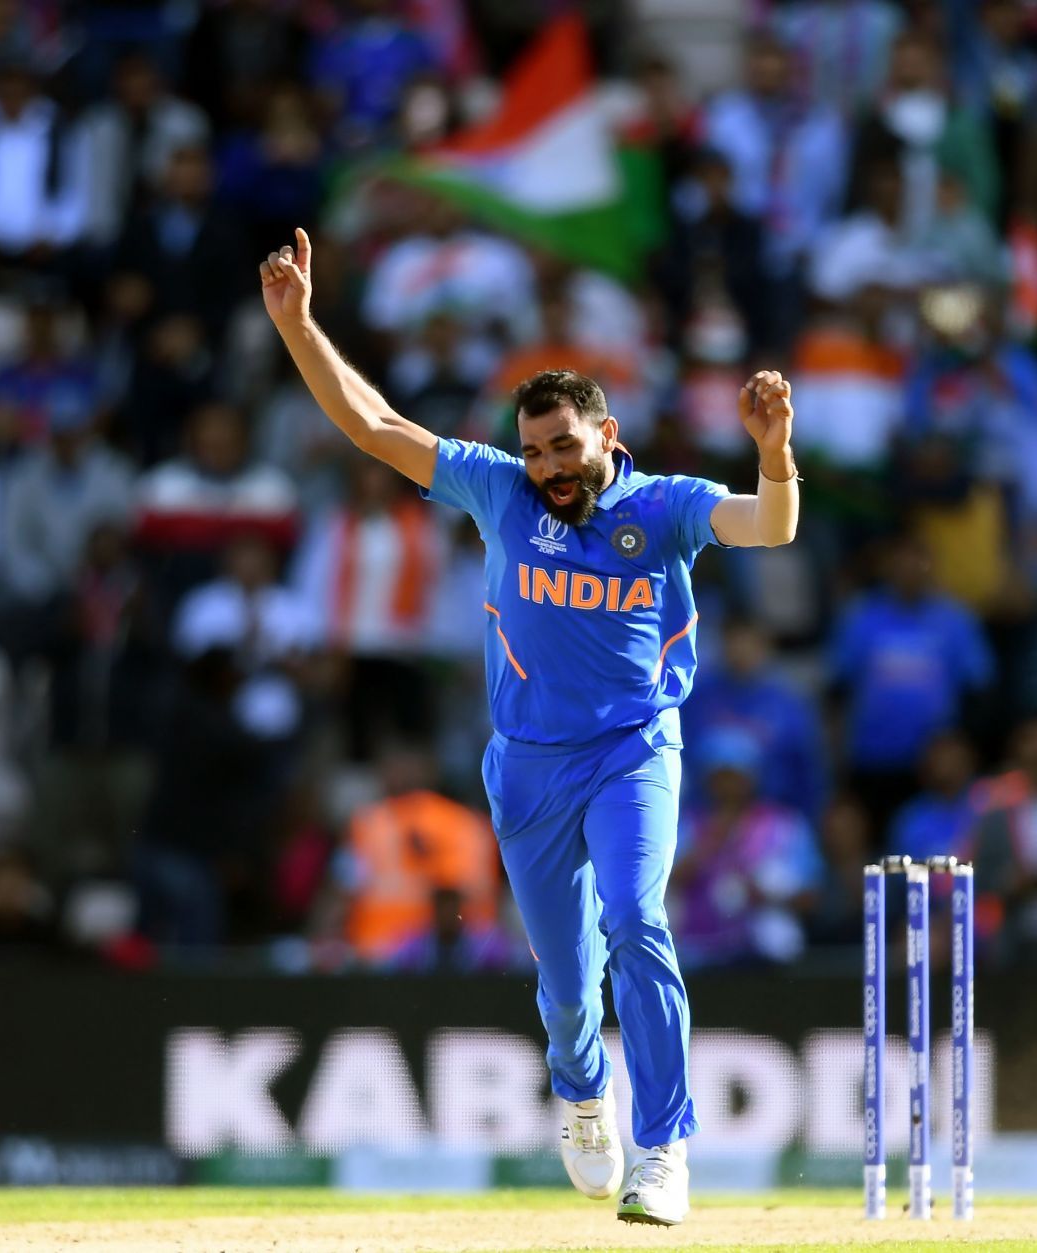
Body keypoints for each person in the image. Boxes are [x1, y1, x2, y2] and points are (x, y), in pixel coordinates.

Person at [259, 228, 800, 1226]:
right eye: (536, 447)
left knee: (638, 920)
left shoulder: (666, 505)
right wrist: (300, 327)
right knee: (564, 982)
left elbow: (770, 527)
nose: (550, 464)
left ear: (607, 432)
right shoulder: (498, 488)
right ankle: (583, 1090)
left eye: (566, 445)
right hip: (527, 769)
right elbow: (374, 422)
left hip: (635, 748)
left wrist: (774, 454)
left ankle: (664, 1147)